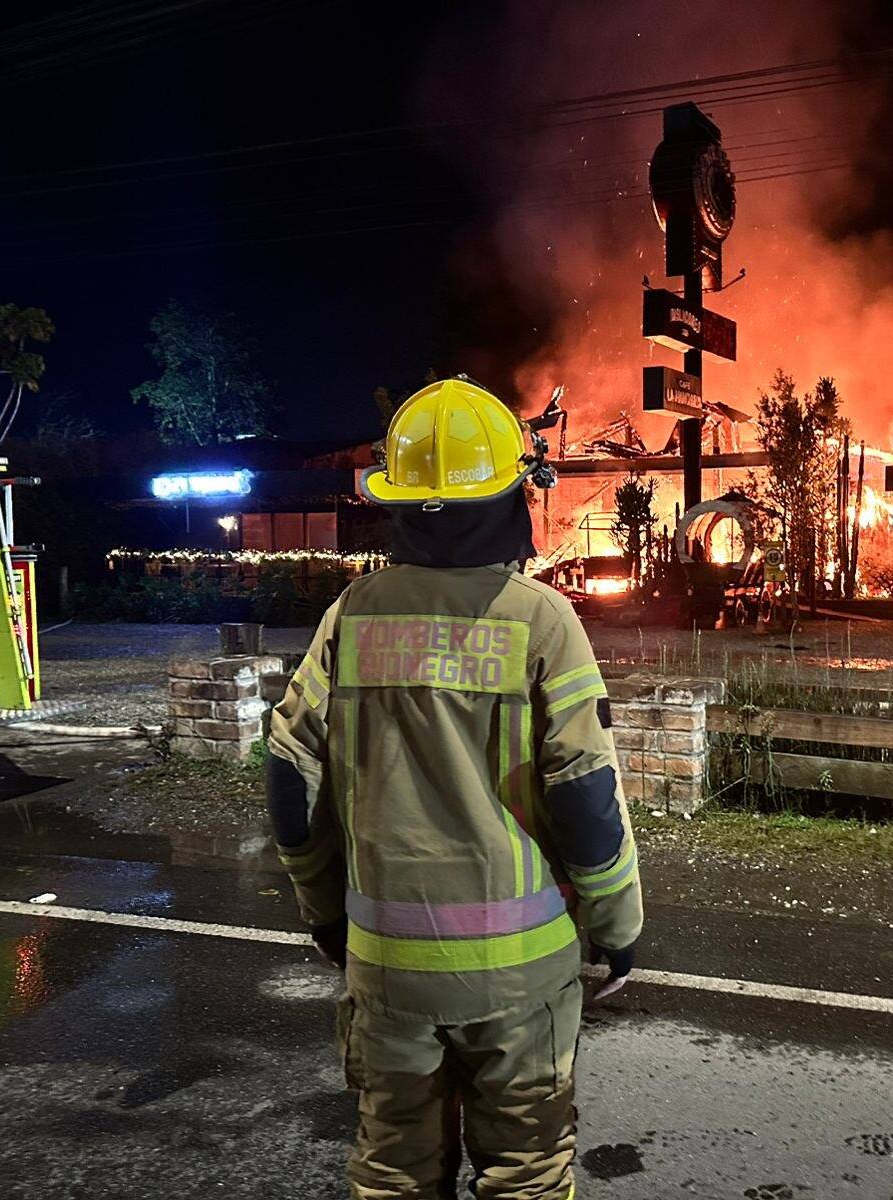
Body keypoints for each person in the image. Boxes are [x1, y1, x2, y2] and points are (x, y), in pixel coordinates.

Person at [267, 377, 643, 1200]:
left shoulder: (351, 616)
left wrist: (327, 913)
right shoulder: (542, 620)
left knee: (395, 1172)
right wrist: (618, 926)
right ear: (515, 494)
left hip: (387, 972)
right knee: (527, 1175)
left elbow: (290, 782)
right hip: (520, 980)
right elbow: (585, 796)